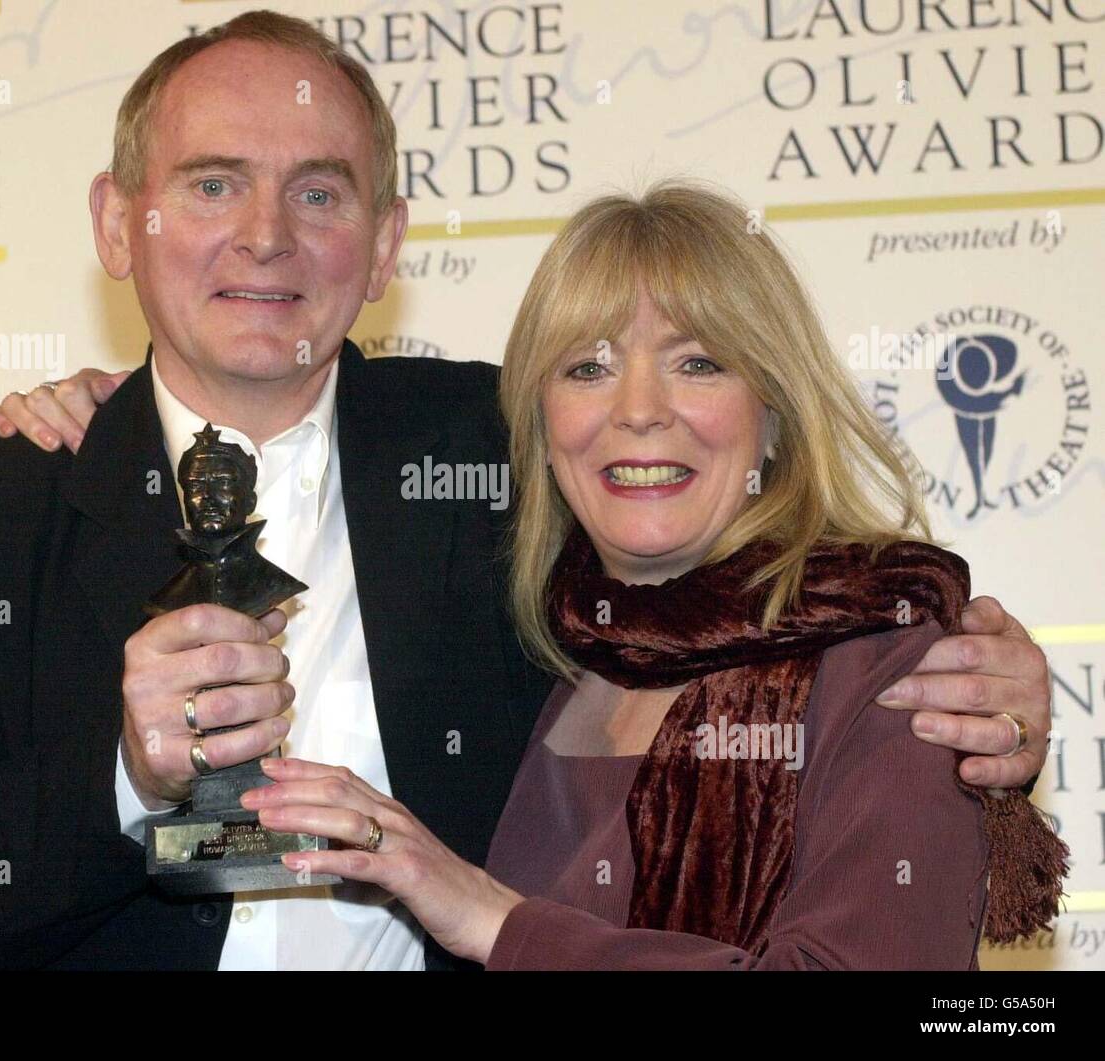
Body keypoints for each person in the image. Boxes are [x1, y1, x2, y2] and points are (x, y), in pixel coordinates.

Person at [0, 12, 1050, 972]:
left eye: (319, 193)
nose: (266, 236)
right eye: (213, 184)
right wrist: (126, 774)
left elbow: (737, 581)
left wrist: (959, 662)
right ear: (121, 224)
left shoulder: (517, 449)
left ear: (383, 248)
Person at [218, 182, 1069, 968]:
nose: (637, 408)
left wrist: (495, 920)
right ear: (539, 424)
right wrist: (116, 409)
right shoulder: (540, 654)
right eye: (587, 368)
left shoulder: (889, 665)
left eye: (698, 361)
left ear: (774, 409)